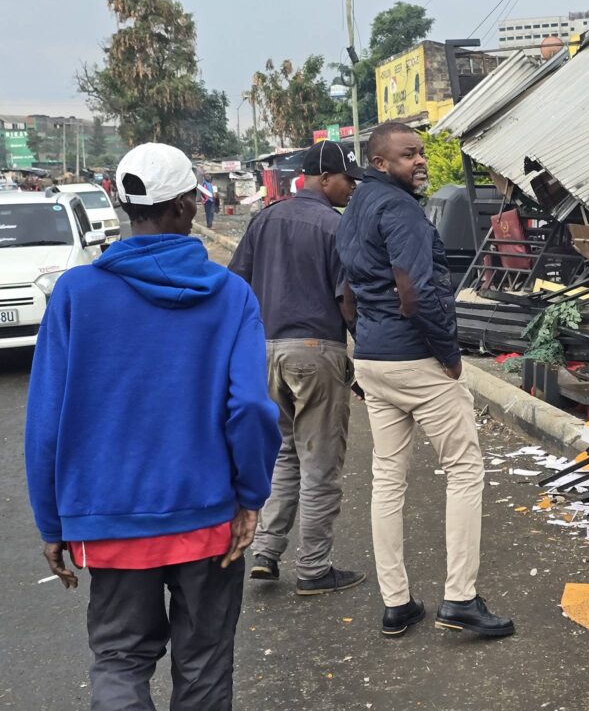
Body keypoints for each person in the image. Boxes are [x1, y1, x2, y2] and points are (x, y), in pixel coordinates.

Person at [25, 142, 281, 710]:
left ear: (121, 202)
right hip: (207, 518)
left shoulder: (75, 294)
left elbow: (45, 422)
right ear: (188, 204)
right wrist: (249, 497)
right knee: (206, 664)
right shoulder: (231, 295)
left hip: (110, 521)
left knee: (118, 661)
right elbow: (252, 411)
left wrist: (52, 523)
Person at [337, 122, 514, 639]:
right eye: (406, 155)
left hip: (373, 359)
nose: (419, 161)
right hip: (417, 359)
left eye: (420, 153)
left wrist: (366, 340)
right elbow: (415, 294)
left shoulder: (354, 211)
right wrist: (450, 356)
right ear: (378, 162)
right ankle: (459, 598)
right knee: (464, 468)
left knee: (388, 478)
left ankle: (397, 603)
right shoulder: (402, 211)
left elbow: (344, 296)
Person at [229, 140, 366, 596]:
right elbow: (347, 300)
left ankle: (266, 553)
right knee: (321, 463)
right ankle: (313, 568)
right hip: (315, 352)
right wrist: (363, 355)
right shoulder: (335, 226)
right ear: (325, 178)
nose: (352, 188)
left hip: (266, 352)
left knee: (285, 454)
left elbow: (237, 285)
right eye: (348, 179)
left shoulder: (264, 218)